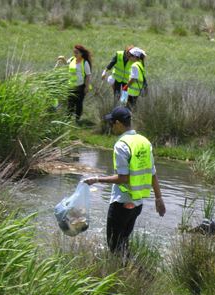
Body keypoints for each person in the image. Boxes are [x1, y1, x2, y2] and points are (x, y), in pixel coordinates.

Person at [83, 106, 165, 255]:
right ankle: (131, 273)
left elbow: (123, 178)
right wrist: (159, 198)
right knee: (123, 243)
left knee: (114, 246)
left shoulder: (121, 145)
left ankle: (126, 274)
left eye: (112, 123)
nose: (111, 126)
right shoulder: (144, 142)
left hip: (122, 203)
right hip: (137, 204)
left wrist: (96, 179)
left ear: (119, 123)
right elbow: (152, 173)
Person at [56, 44, 92, 121]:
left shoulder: (85, 63)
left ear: (81, 53)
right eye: (74, 52)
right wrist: (62, 59)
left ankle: (77, 119)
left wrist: (86, 86)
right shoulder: (72, 59)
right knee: (70, 103)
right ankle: (68, 119)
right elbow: (67, 64)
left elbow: (88, 75)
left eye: (77, 53)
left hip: (80, 86)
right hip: (71, 86)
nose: (75, 54)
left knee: (79, 104)